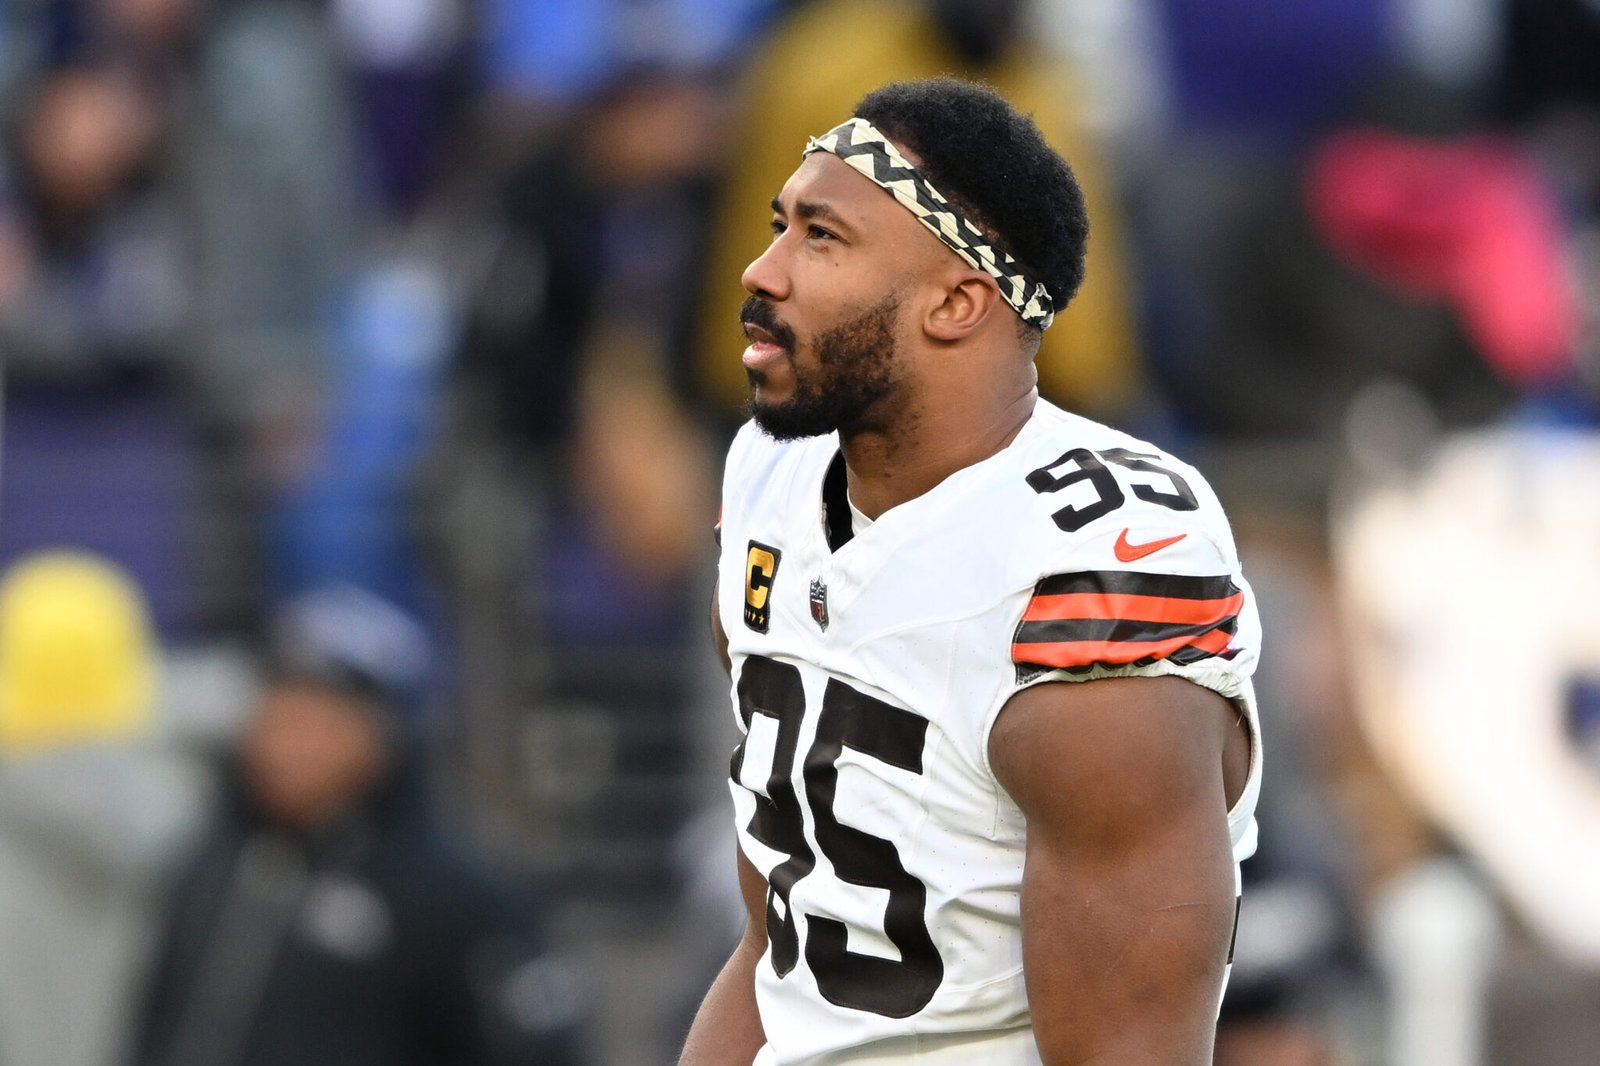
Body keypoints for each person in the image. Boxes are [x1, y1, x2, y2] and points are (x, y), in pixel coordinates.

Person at [679, 78, 1263, 1065]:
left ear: (956, 302)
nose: (762, 269)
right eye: (781, 226)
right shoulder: (772, 469)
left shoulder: (1088, 564)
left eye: (821, 237)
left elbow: (1128, 1049)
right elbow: (781, 946)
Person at [127, 584, 586, 1066]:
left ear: (386, 735)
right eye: (280, 715)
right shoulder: (210, 861)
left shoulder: (463, 897)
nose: (292, 746)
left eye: (322, 723)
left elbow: (542, 1048)